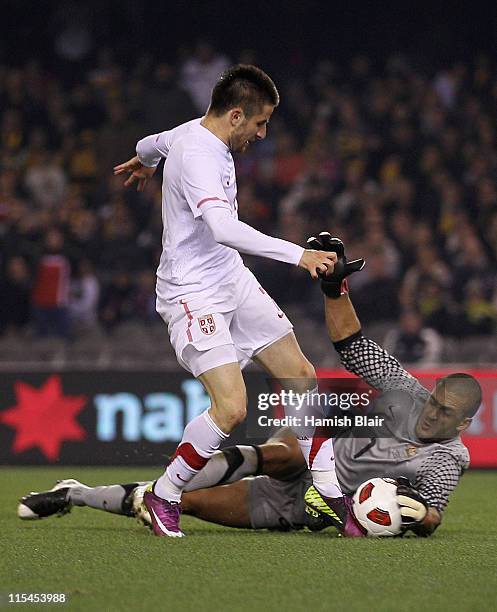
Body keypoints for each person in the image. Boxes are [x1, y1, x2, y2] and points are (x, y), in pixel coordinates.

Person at [18, 237, 481, 537]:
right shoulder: (407, 390)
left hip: (306, 507)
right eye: (433, 400)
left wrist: (417, 514)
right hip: (315, 460)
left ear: (461, 424)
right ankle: (275, 473)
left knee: (188, 502)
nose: (429, 412)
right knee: (280, 451)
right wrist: (335, 290)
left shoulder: (448, 457)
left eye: (442, 414)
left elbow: (433, 512)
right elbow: (353, 344)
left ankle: (76, 493)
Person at [113, 65, 345, 537]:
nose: (262, 134)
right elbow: (222, 229)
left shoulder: (188, 133)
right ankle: (165, 494)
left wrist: (147, 163)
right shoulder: (199, 154)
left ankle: (326, 491)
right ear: (236, 116)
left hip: (230, 279)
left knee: (300, 376)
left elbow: (147, 144)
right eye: (259, 124)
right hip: (192, 293)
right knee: (232, 408)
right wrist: (298, 255)